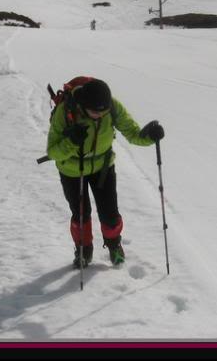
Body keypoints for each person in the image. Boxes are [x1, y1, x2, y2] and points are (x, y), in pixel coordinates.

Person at [46, 78, 164, 268]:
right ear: (84, 106)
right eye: (95, 112)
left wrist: (150, 136)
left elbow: (133, 134)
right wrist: (72, 142)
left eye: (103, 112)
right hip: (72, 170)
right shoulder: (66, 112)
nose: (100, 115)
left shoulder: (112, 107)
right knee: (81, 214)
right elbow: (52, 151)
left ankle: (114, 245)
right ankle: (84, 249)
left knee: (110, 213)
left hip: (103, 167)